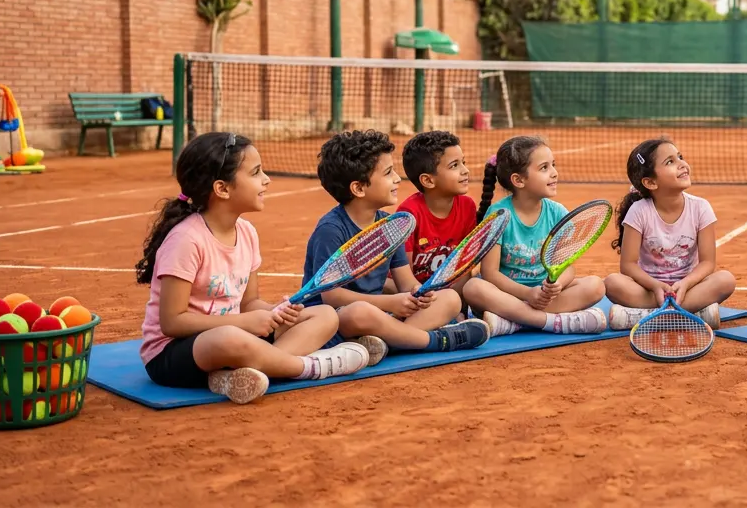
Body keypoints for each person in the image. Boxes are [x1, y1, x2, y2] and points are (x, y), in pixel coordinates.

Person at [136, 132, 368, 404]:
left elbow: (248, 304)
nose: (267, 179)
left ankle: (242, 374)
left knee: (325, 315)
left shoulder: (246, 232)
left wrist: (275, 312)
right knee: (228, 338)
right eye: (256, 172)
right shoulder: (186, 240)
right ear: (222, 189)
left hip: (237, 337)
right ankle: (308, 367)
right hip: (174, 354)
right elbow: (172, 322)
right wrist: (243, 323)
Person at [304, 130, 488, 364]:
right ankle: (435, 340)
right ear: (358, 188)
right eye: (388, 172)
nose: (398, 179)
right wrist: (391, 303)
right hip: (335, 321)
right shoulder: (331, 230)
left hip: (379, 315)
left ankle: (384, 344)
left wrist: (419, 294)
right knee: (360, 312)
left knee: (449, 299)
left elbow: (406, 282)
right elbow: (332, 297)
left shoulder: (391, 226)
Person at [462, 136, 608, 336]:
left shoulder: (558, 212)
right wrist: (528, 294)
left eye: (553, 165)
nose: (554, 173)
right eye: (544, 168)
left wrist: (557, 285)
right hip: (507, 295)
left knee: (596, 286)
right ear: (519, 180)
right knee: (473, 288)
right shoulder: (498, 215)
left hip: (543, 298)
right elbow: (490, 273)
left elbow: (567, 267)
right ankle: (552, 322)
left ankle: (515, 322)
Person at [603, 139, 736, 330]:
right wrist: (655, 286)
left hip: (689, 288)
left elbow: (708, 262)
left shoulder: (701, 207)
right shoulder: (638, 211)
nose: (682, 164)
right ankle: (687, 314)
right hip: (649, 290)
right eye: (670, 162)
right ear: (650, 182)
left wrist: (686, 283)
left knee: (725, 280)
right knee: (612, 283)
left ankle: (648, 316)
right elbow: (628, 265)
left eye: (680, 157)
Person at [395, 130, 478, 298]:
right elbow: (405, 279)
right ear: (428, 180)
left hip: (451, 290)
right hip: (416, 293)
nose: (465, 170)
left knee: (474, 284)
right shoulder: (408, 214)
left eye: (463, 162)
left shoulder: (467, 206)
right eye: (454, 165)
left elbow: (466, 265)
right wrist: (426, 297)